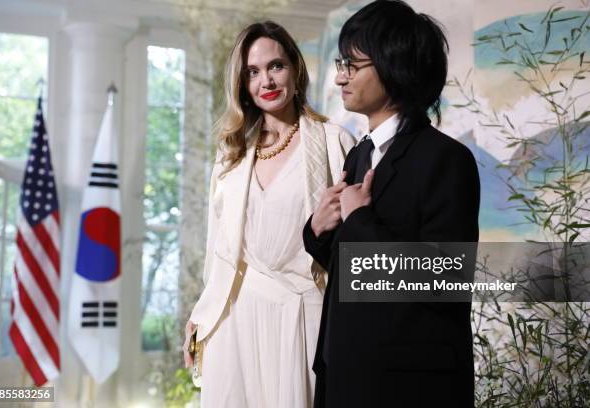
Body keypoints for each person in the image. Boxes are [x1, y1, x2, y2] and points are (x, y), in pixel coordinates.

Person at [303, 1, 480, 407]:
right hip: (346, 370)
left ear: (393, 66)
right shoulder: (359, 156)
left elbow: (445, 280)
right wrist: (319, 229)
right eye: (340, 62)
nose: (339, 76)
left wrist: (360, 219)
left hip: (408, 384)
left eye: (352, 64)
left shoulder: (446, 160)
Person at [183, 21, 356, 408]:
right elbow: (219, 248)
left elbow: (354, 244)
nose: (267, 81)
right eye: (253, 72)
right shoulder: (231, 154)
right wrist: (201, 314)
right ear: (242, 84)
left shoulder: (334, 142)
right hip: (235, 316)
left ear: (295, 68)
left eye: (276, 66)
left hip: (305, 311)